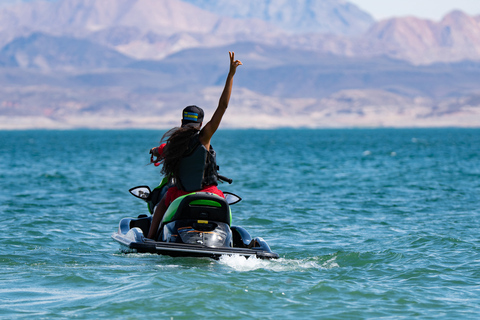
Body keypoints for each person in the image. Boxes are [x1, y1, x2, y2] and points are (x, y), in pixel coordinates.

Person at [147, 51, 242, 239]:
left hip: (180, 194)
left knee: (160, 207)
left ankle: (149, 238)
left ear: (182, 121)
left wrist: (154, 151)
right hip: (209, 193)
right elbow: (222, 107)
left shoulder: (174, 144)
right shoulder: (204, 137)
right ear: (200, 123)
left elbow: (161, 150)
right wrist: (231, 75)